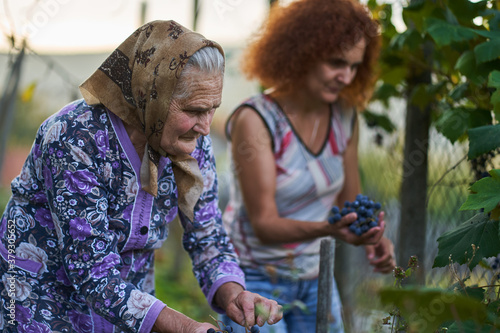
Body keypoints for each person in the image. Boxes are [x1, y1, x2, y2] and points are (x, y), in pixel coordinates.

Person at [0, 20, 283, 333]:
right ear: (151, 96)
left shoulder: (191, 144)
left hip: (129, 315)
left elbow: (207, 234)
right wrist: (187, 327)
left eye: (212, 108)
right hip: (42, 307)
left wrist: (234, 293)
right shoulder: (73, 137)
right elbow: (92, 271)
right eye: (193, 110)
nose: (205, 126)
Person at [221, 0, 396, 332]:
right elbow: (265, 225)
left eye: (355, 66)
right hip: (255, 279)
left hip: (317, 274)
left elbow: (350, 203)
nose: (346, 76)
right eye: (336, 63)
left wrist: (372, 236)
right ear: (301, 52)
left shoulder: (344, 115)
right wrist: (329, 230)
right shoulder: (256, 119)